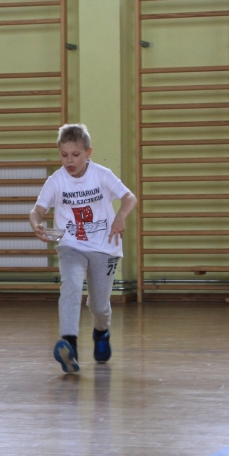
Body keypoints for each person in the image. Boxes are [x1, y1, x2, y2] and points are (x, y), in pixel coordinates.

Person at [29, 123, 137, 373]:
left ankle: (101, 332)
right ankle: (70, 345)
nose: (69, 160)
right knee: (71, 285)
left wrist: (120, 217)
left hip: (104, 246)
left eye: (75, 155)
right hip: (71, 244)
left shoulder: (101, 175)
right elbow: (37, 210)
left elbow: (129, 197)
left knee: (99, 305)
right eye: (64, 155)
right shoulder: (56, 181)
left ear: (88, 153)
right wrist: (36, 224)